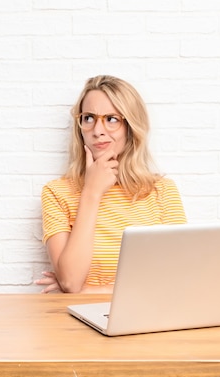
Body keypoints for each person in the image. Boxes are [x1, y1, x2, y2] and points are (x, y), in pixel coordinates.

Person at [36, 75, 187, 294]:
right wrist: (92, 192)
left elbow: (178, 277)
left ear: (131, 126)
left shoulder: (161, 191)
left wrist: (88, 291)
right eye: (88, 118)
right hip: (77, 323)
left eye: (111, 119)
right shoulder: (56, 193)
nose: (97, 130)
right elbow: (70, 281)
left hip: (149, 318)